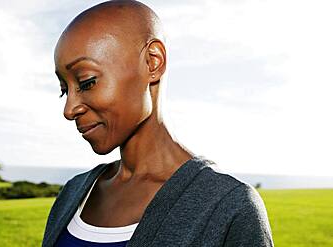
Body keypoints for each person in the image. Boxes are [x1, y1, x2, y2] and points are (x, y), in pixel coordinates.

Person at [42, 1, 274, 246]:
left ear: (153, 62)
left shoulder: (227, 206)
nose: (69, 110)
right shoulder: (73, 193)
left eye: (86, 81)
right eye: (64, 90)